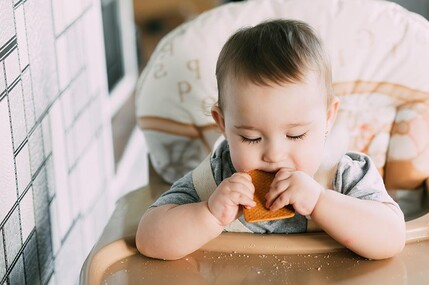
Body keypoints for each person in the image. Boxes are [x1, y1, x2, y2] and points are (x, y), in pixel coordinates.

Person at [136, 19, 405, 261]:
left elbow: (392, 238)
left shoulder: (344, 176)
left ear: (328, 118)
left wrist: (320, 202)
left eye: (295, 134)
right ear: (223, 125)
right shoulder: (217, 178)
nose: (274, 154)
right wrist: (209, 213)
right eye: (250, 137)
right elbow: (148, 239)